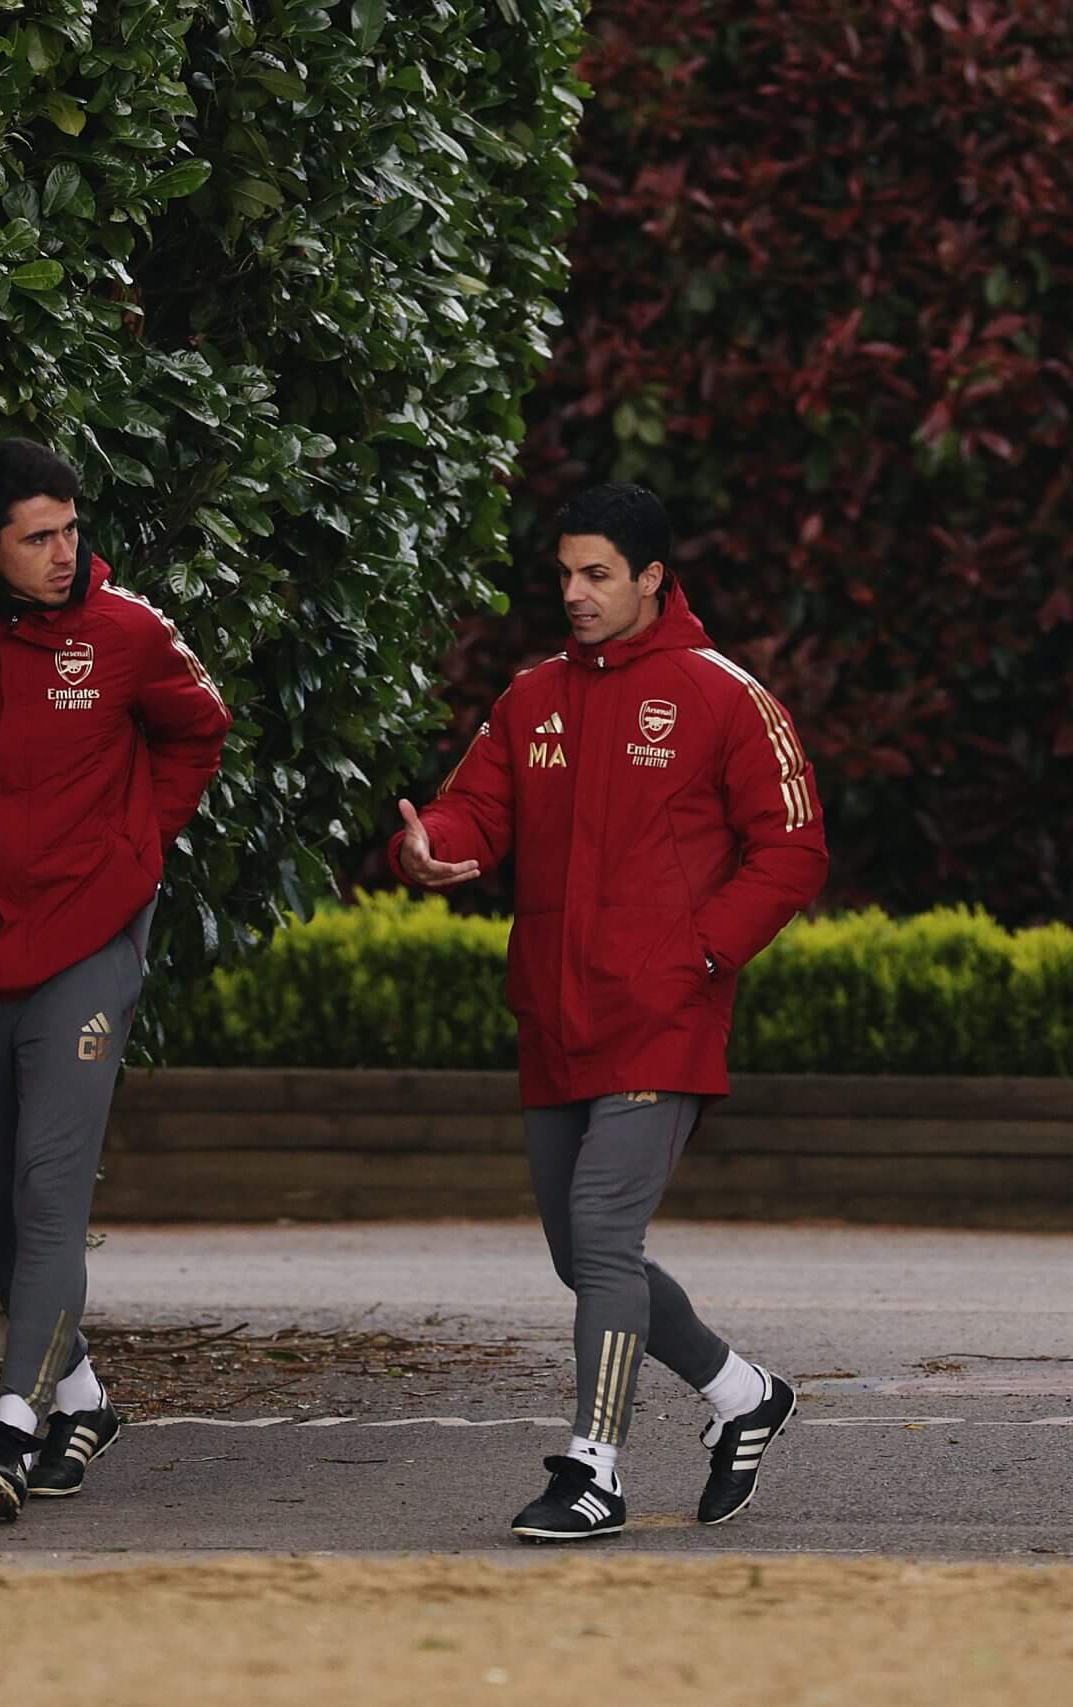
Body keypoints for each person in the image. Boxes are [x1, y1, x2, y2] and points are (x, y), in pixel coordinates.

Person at [389, 481, 828, 1541]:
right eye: (564, 575)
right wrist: (433, 843)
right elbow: (477, 805)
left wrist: (699, 954)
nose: (575, 595)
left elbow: (793, 849)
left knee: (598, 1234)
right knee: (585, 1253)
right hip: (554, 1011)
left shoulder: (724, 694)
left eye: (596, 575)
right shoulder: (532, 694)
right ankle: (740, 1394)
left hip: (664, 1016)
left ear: (649, 579)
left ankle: (595, 1470)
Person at [0, 438, 231, 1521]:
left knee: (49, 1190)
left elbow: (197, 733)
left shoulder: (129, 631)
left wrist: (133, 850)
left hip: (84, 943)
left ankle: (14, 1424)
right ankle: (82, 1399)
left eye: (72, 530)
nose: (66, 553)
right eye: (39, 538)